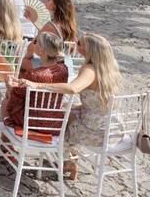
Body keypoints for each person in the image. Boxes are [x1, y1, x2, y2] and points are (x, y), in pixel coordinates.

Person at [12, 33, 122, 180]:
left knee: (60, 122)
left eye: (80, 43)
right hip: (113, 127)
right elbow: (95, 102)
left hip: (95, 132)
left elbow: (72, 89)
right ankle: (66, 158)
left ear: (89, 50)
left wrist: (38, 85)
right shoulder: (108, 69)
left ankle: (65, 161)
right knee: (65, 110)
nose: (76, 44)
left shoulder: (89, 70)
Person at [2, 32, 69, 129]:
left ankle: (7, 136)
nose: (34, 43)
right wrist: (18, 82)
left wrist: (9, 88)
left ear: (41, 51)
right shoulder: (63, 69)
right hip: (54, 122)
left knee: (5, 102)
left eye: (36, 42)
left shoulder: (34, 74)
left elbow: (15, 101)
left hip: (30, 122)